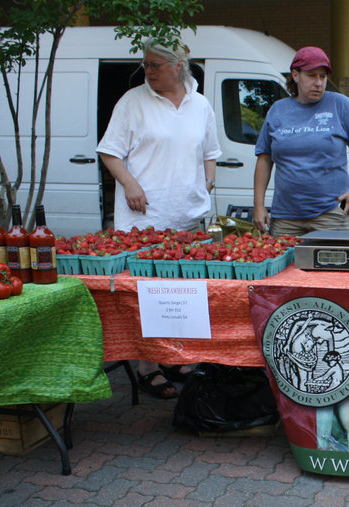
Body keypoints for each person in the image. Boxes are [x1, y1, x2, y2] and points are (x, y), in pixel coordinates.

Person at [97, 38, 221, 398]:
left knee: (186, 294)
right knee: (146, 295)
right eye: (145, 65)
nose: (147, 72)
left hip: (187, 217)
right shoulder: (132, 102)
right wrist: (130, 184)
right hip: (144, 219)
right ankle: (147, 367)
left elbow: (210, 151)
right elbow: (110, 152)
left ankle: (179, 358)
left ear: (178, 65)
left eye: (155, 65)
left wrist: (208, 182)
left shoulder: (200, 104)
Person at [253, 46, 349, 236]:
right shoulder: (278, 110)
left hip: (331, 215)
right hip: (285, 219)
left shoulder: (340, 105)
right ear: (295, 75)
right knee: (285, 266)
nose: (318, 83)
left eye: (323, 77)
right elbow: (265, 158)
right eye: (311, 75)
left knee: (333, 265)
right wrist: (258, 205)